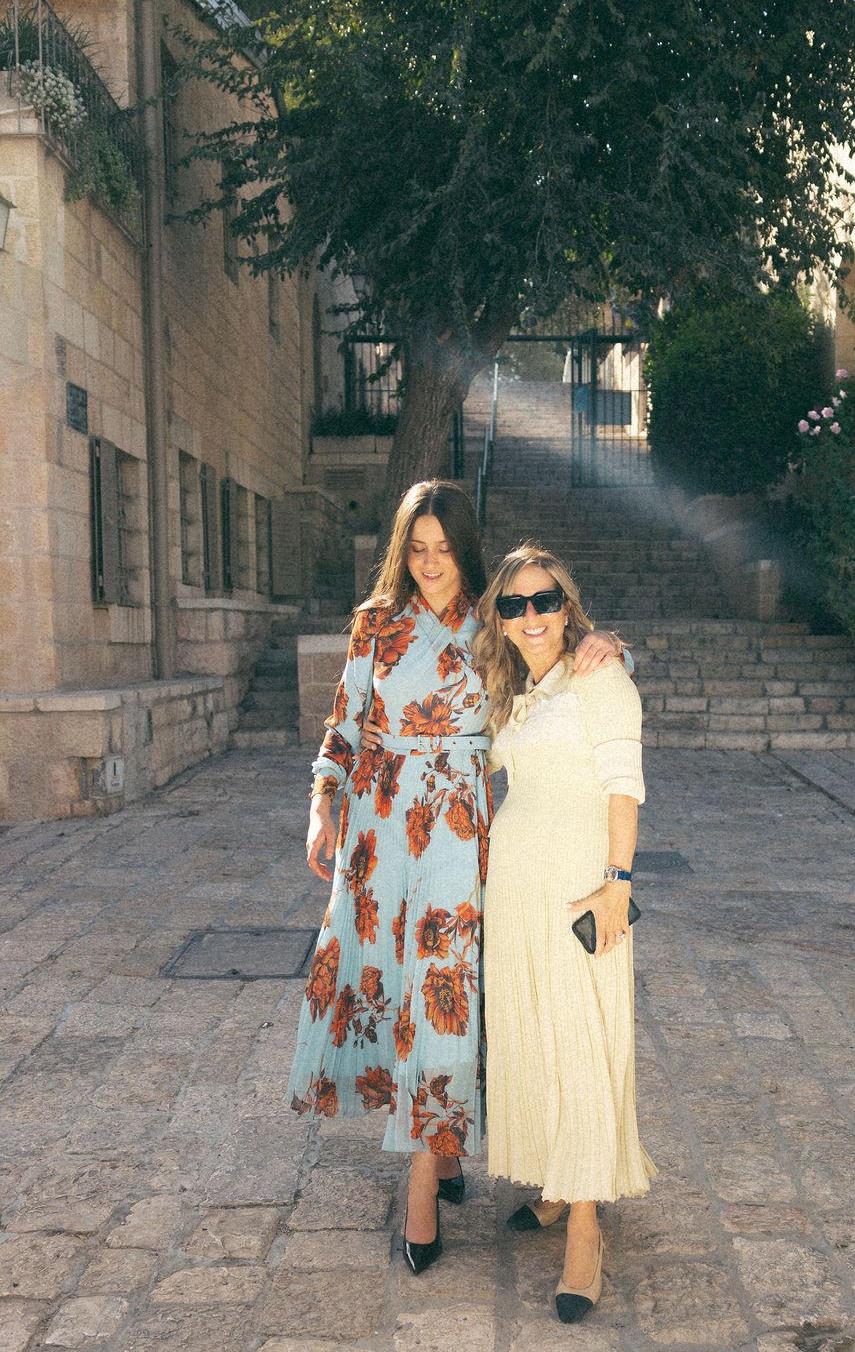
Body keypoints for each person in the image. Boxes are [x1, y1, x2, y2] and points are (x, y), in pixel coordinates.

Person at [286, 481, 621, 1276]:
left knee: (446, 993)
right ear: (401, 548)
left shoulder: (493, 618)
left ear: (463, 549)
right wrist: (321, 804)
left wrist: (608, 643)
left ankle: (421, 1184)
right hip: (377, 831)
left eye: (443, 548)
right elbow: (343, 724)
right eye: (417, 547)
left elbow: (558, 665)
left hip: (459, 833)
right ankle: (442, 1148)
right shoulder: (375, 624)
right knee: (398, 986)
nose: (430, 563)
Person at [475, 544, 655, 1323]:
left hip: (582, 884)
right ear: (500, 618)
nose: (530, 616)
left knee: (583, 1039)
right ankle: (557, 1183)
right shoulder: (513, 688)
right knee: (534, 1036)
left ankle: (586, 1227)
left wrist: (618, 883)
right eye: (512, 605)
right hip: (515, 887)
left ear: (567, 606)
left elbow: (625, 784)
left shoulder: (597, 674)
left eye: (543, 600)